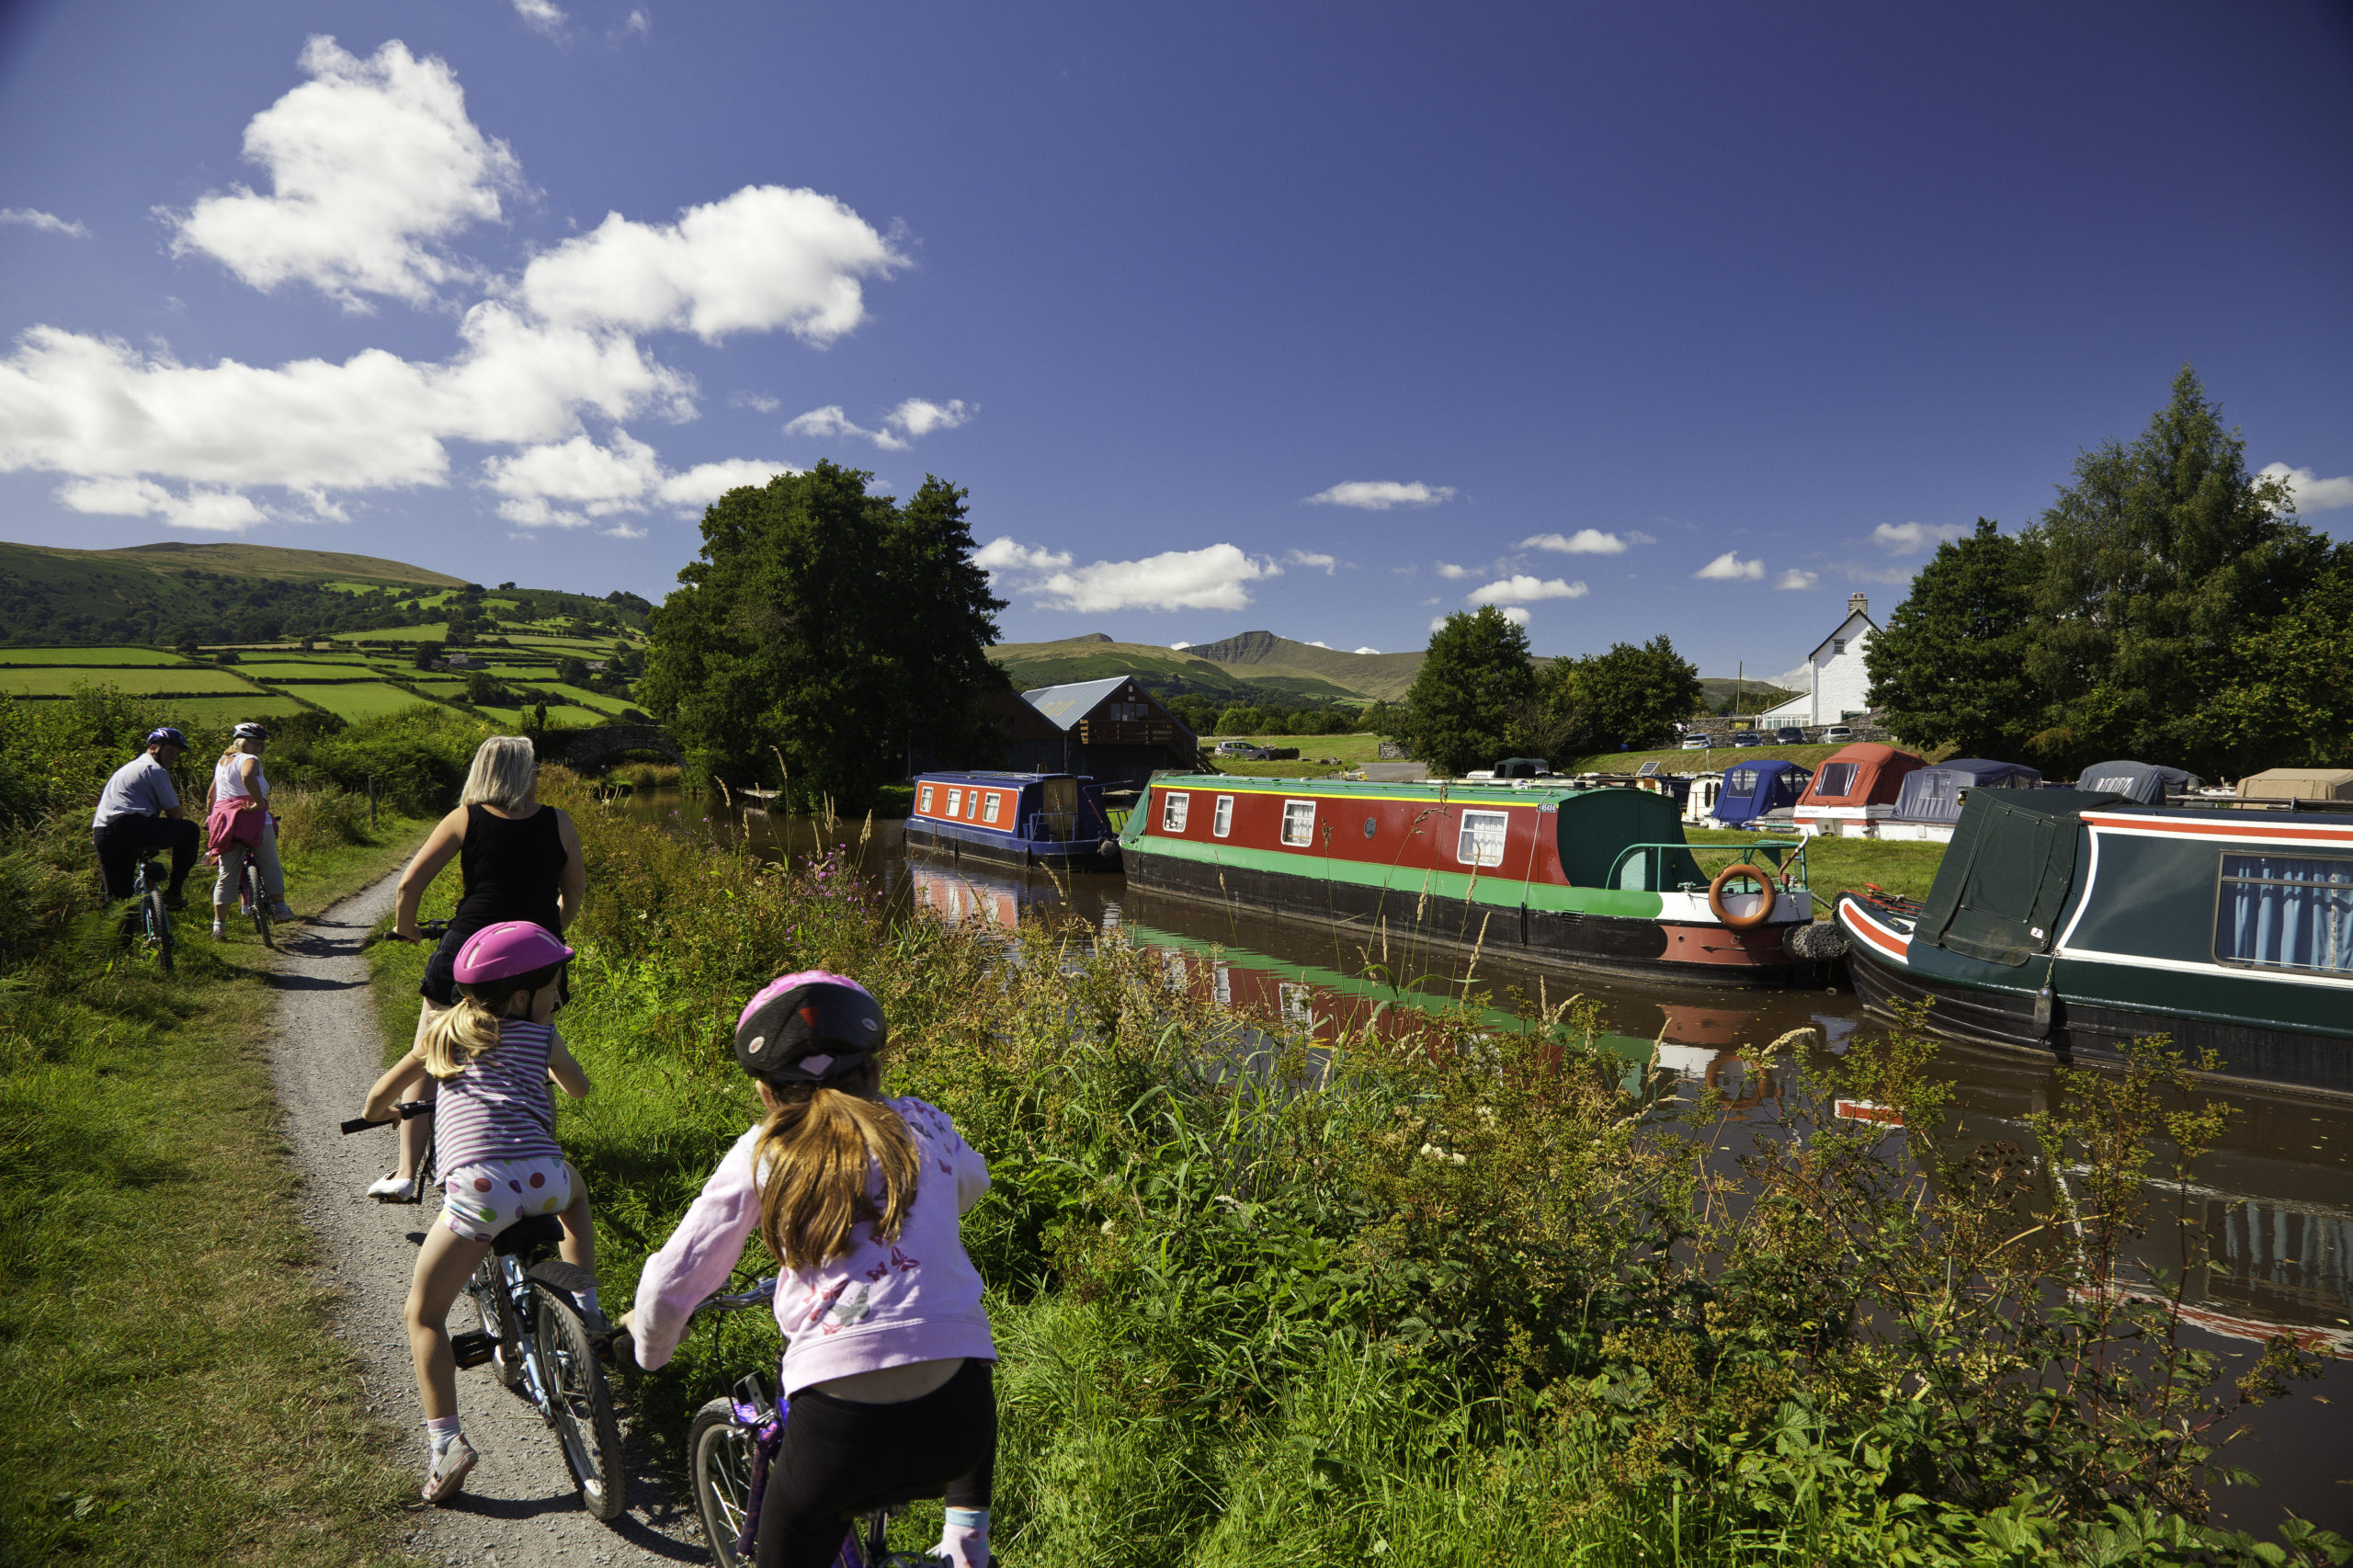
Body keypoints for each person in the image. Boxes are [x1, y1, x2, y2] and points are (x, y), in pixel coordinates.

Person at [623, 972, 998, 1568]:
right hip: (962, 1423)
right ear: (874, 1070)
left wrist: (649, 1348)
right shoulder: (924, 1124)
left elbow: (676, 1277)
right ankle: (967, 1544)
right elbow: (972, 1184)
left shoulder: (764, 1150)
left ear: (767, 1093)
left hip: (840, 1433)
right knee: (959, 1341)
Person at [359, 920, 598, 1504]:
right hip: (545, 1177)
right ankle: (587, 1308)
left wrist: (397, 1115)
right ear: (521, 998)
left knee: (423, 1314)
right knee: (579, 1197)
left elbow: (373, 1104)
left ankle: (446, 1444)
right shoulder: (543, 1038)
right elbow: (579, 1090)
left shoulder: (440, 1033)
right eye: (552, 989)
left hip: (482, 1188)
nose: (557, 997)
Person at [372, 735, 586, 1199]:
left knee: (432, 1053)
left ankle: (408, 1173)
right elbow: (574, 895)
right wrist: (546, 938)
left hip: (467, 952)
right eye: (533, 768)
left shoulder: (465, 817)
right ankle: (540, 1156)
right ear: (519, 772)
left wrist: (406, 928)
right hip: (538, 961)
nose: (537, 777)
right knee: (535, 1056)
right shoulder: (558, 822)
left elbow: (410, 883)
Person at [91, 726, 201, 910]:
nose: (173, 757)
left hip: (103, 833)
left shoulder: (127, 769)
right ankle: (174, 893)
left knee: (119, 899)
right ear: (153, 748)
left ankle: (118, 938)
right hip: (132, 826)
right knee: (190, 830)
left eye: (176, 754)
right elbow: (175, 815)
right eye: (170, 751)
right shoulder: (154, 769)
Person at [205, 721, 294, 938]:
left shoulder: (222, 761)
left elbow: (211, 796)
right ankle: (280, 908)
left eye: (260, 744)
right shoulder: (249, 760)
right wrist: (257, 803)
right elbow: (247, 776)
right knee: (269, 862)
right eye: (253, 743)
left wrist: (211, 820)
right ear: (240, 741)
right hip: (251, 818)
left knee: (226, 873)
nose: (257, 748)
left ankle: (219, 926)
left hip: (225, 819)